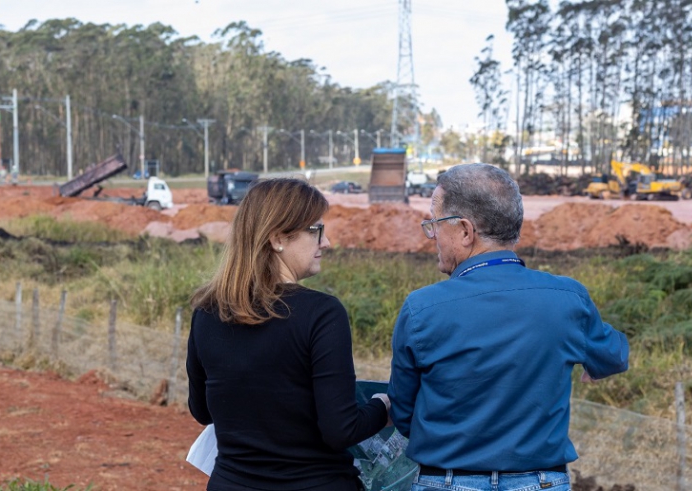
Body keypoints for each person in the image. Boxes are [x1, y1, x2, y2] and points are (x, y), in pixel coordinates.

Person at [388, 163, 629, 491]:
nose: (431, 235)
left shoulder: (422, 308)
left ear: (464, 230)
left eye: (433, 224)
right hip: (541, 481)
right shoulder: (568, 298)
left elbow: (404, 413)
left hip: (445, 480)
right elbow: (614, 356)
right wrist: (587, 352)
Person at [187, 178, 390, 491]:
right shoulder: (321, 313)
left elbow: (201, 411)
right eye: (316, 230)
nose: (326, 243)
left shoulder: (207, 311)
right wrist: (383, 406)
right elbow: (341, 430)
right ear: (279, 238)